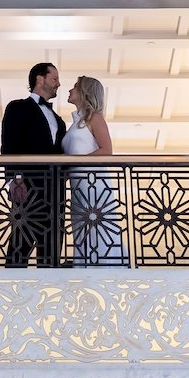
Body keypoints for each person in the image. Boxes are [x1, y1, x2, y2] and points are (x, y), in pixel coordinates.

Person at [0, 62, 66, 267]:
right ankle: (10, 291)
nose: (58, 84)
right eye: (54, 78)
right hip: (28, 187)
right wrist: (15, 178)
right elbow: (9, 143)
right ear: (40, 79)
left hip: (56, 193)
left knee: (52, 250)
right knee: (20, 243)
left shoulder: (59, 120)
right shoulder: (17, 107)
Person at [63, 75, 127, 267]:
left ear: (85, 92)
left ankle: (106, 269)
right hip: (78, 188)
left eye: (75, 87)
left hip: (94, 185)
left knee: (97, 229)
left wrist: (78, 162)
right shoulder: (76, 123)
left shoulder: (94, 118)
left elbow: (107, 150)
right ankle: (85, 266)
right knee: (82, 229)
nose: (69, 90)